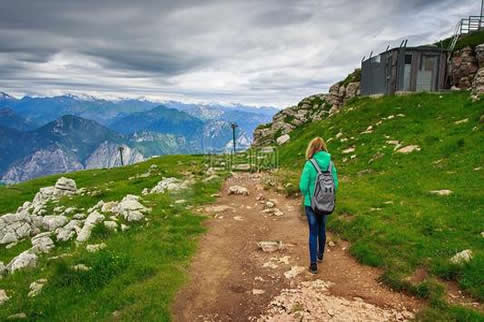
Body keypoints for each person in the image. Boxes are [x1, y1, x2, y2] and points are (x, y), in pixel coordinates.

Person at [299, 137, 338, 274]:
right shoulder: (331, 164)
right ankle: (320, 255)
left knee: (313, 232)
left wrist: (308, 195)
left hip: (311, 204)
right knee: (322, 229)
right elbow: (336, 185)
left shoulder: (310, 164)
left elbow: (303, 187)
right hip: (326, 203)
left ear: (312, 148)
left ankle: (313, 264)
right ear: (323, 147)